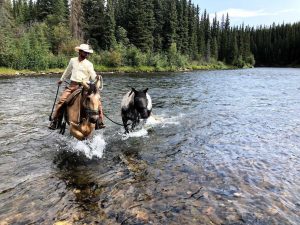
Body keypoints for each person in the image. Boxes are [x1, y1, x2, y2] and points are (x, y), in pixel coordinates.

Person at [48, 43, 105, 130]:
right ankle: (55, 121)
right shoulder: (72, 60)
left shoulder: (89, 64)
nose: (87, 54)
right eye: (85, 52)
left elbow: (93, 75)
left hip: (85, 87)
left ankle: (99, 122)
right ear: (80, 52)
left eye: (88, 53)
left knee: (97, 102)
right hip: (72, 85)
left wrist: (96, 78)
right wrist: (61, 79)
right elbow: (68, 70)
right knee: (61, 101)